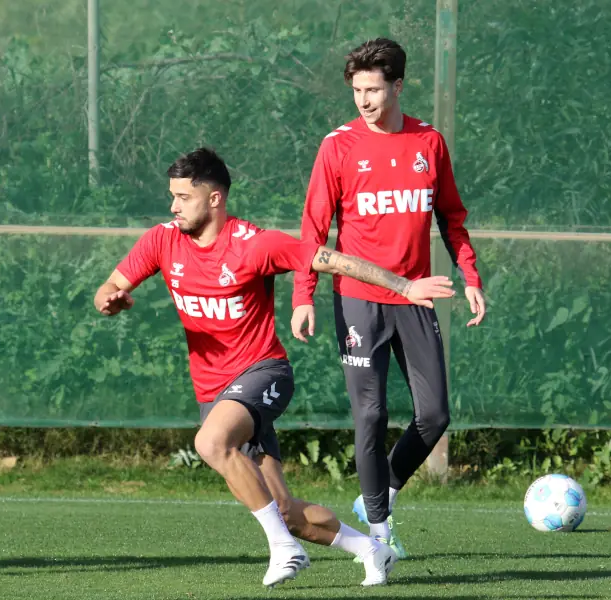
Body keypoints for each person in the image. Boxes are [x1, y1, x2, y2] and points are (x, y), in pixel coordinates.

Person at [94, 147, 456, 588]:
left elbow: (331, 259)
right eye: (172, 196)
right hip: (215, 391)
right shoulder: (161, 240)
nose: (173, 206)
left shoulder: (254, 245)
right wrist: (110, 300)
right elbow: (110, 285)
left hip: (264, 373)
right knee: (285, 511)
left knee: (211, 442)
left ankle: (284, 550)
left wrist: (404, 285)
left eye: (183, 197)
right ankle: (371, 549)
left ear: (214, 199)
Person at [290, 38, 487, 559]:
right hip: (357, 300)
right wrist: (302, 295)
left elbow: (452, 219)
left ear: (398, 85)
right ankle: (379, 535)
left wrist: (471, 276)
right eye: (357, 90)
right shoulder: (337, 146)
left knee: (435, 415)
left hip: (416, 297)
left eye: (374, 89)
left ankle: (379, 493)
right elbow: (313, 229)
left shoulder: (429, 143)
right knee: (371, 416)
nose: (364, 100)